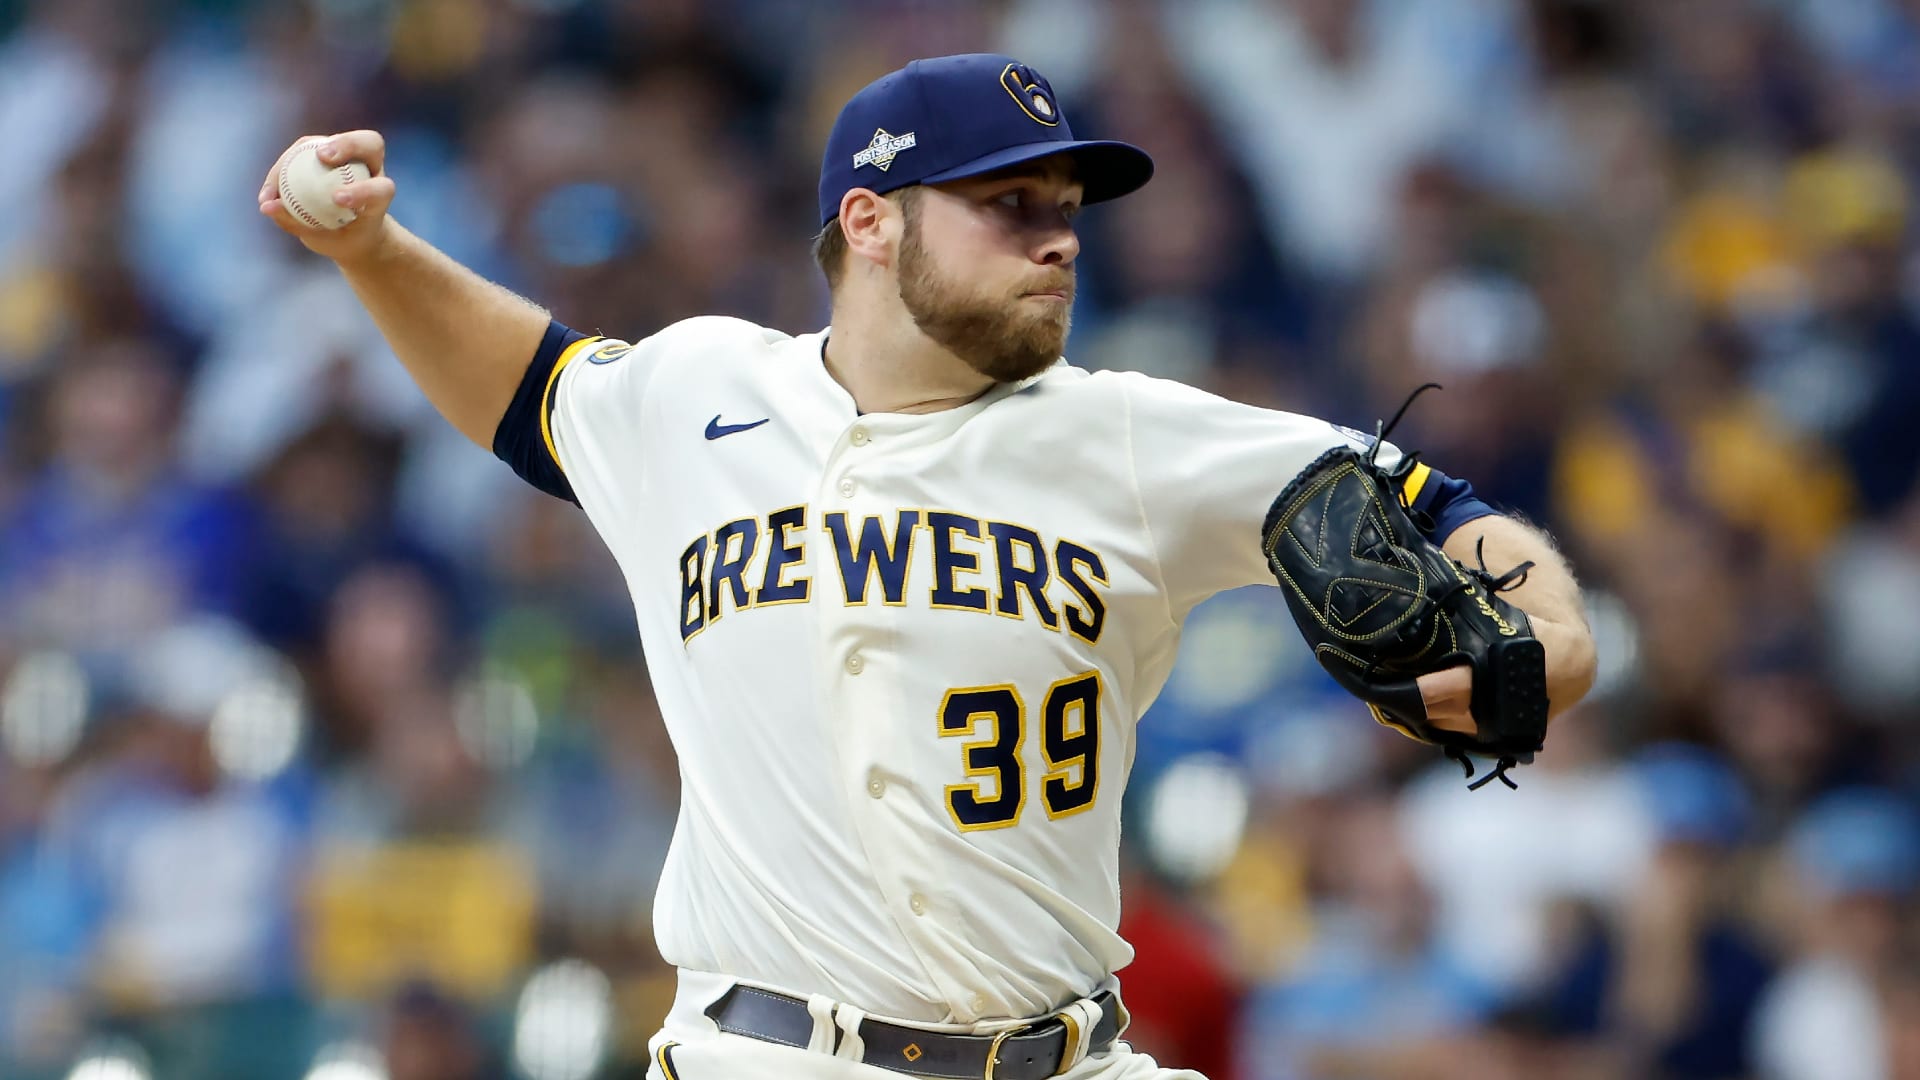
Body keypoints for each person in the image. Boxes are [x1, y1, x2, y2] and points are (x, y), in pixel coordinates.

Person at [259, 53, 1596, 1080]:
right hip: (766, 1052)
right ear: (873, 221)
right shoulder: (697, 392)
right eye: (1011, 205)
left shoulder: (1128, 434)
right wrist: (370, 250)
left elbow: (1438, 506)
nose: (1060, 237)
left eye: (1067, 208)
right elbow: (532, 380)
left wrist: (1551, 634)